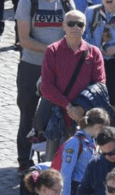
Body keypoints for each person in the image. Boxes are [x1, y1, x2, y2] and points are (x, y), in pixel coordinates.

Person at [14, 0, 74, 170]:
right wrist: (54, 49)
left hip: (59, 68)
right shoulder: (27, 1)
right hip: (32, 65)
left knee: (61, 112)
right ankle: (24, 161)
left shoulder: (66, 1)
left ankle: (57, 158)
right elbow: (24, 40)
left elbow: (74, 33)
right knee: (27, 111)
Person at [39, 9, 106, 156]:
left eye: (79, 24)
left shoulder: (94, 52)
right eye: (71, 24)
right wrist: (69, 106)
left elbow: (99, 85)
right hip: (57, 117)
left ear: (84, 27)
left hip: (86, 119)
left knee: (84, 163)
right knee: (54, 162)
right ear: (63, 26)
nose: (75, 27)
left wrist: (81, 108)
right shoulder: (53, 51)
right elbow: (46, 87)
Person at [59, 109, 106, 195]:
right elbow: (65, 174)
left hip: (87, 190)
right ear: (99, 126)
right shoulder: (75, 142)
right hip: (75, 192)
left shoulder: (91, 141)